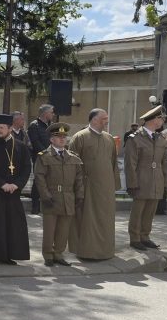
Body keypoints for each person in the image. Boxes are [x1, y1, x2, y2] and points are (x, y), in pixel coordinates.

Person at [0, 113, 32, 265]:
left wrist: (16, 185)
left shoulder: (21, 147)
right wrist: (2, 184)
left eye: (2, 128)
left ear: (10, 128)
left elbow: (26, 169)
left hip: (12, 194)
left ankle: (6, 256)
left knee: (10, 225)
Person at [68, 108, 120, 261]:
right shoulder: (80, 137)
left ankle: (105, 251)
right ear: (94, 120)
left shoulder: (109, 138)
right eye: (104, 119)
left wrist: (114, 185)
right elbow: (72, 164)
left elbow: (113, 164)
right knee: (87, 220)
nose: (107, 121)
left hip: (106, 189)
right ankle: (87, 252)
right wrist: (76, 187)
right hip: (87, 187)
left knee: (106, 219)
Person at [33, 122, 83, 266]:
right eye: (58, 136)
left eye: (64, 136)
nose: (62, 139)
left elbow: (79, 179)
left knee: (63, 230)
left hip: (68, 198)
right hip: (52, 197)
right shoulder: (44, 156)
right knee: (50, 230)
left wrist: (80, 195)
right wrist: (45, 196)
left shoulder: (73, 157)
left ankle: (58, 254)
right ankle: (48, 255)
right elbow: (39, 177)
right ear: (51, 139)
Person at [124, 106, 167, 251]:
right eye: (162, 118)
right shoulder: (135, 138)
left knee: (150, 210)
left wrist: (166, 182)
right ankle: (135, 238)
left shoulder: (160, 138)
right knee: (138, 211)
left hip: (156, 180)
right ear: (155, 119)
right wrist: (132, 184)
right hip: (141, 180)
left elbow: (165, 162)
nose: (163, 121)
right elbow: (130, 163)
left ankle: (145, 236)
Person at [27, 104, 55, 215]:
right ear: (45, 113)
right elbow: (35, 142)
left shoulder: (52, 126)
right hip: (40, 157)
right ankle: (35, 206)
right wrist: (46, 154)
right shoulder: (34, 125)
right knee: (38, 181)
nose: (53, 114)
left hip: (52, 157)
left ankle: (48, 204)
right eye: (51, 112)